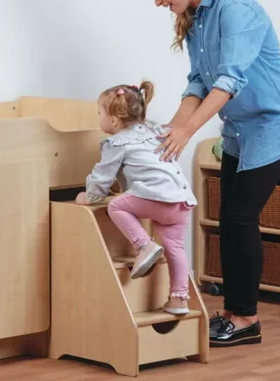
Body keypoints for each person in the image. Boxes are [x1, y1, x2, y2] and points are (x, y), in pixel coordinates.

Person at [137, 0, 280, 347]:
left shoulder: (236, 9)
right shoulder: (196, 18)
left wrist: (188, 132)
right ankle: (233, 314)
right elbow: (199, 81)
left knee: (241, 219)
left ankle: (246, 318)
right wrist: (172, 128)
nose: (158, 2)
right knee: (228, 220)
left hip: (272, 124)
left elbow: (228, 82)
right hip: (239, 129)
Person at [75, 81, 198, 315]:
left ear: (114, 120)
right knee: (175, 249)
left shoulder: (116, 143)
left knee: (116, 206)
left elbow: (102, 177)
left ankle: (144, 245)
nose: (98, 118)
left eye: (99, 113)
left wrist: (88, 196)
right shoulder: (153, 130)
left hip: (158, 197)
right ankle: (179, 299)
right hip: (182, 199)